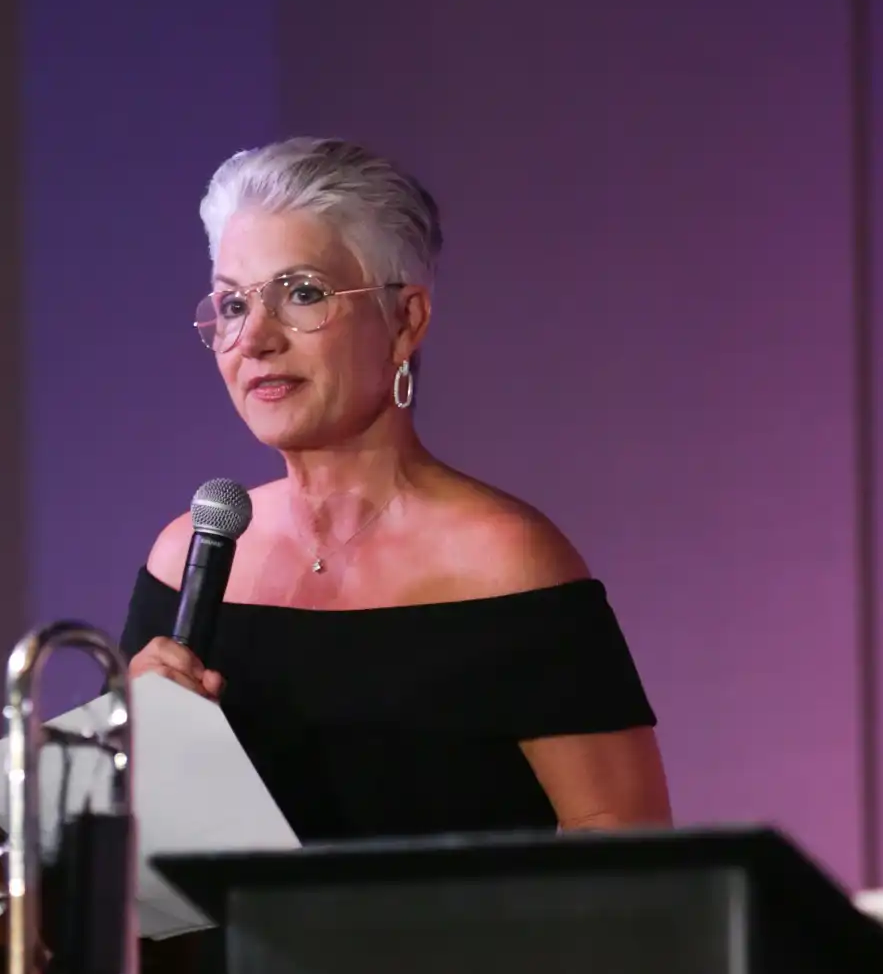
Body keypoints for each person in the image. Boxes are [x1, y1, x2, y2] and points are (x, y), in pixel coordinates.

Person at [122, 137, 671, 839]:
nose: (254, 337)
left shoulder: (504, 559)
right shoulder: (186, 558)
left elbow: (622, 836)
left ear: (405, 321)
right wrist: (127, 757)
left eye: (302, 294)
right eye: (231, 304)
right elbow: (136, 862)